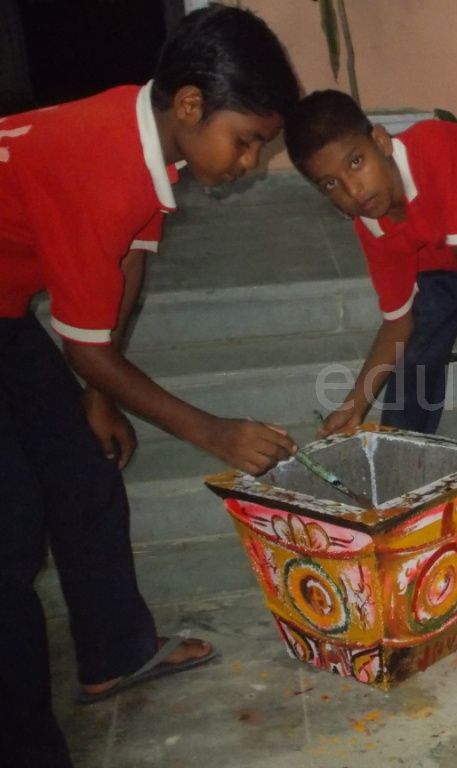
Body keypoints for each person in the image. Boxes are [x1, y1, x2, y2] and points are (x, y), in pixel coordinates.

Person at [0, 6, 299, 765]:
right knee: (9, 527)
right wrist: (216, 433)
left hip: (2, 310)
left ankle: (112, 654)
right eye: (246, 142)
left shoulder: (149, 145)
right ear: (191, 104)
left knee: (82, 473)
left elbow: (124, 269)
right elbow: (87, 347)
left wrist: (98, 401)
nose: (248, 162)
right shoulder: (97, 164)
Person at [283, 91, 457, 583]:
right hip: (448, 248)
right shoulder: (372, 224)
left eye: (356, 163)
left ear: (379, 141)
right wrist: (356, 403)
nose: (353, 189)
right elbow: (399, 321)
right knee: (414, 362)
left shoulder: (435, 150)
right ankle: (398, 504)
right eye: (331, 183)